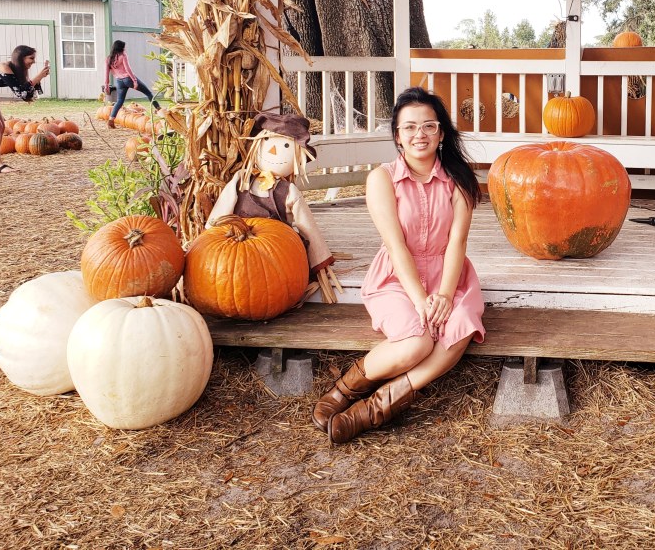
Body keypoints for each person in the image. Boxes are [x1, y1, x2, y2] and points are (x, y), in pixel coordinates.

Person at [312, 86, 485, 445]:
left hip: (448, 273)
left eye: (428, 126)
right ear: (397, 136)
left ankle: (376, 406)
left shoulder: (460, 180)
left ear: (441, 135)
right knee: (415, 343)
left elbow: (457, 242)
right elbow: (395, 245)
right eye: (409, 127)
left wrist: (445, 294)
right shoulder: (381, 179)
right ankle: (343, 391)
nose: (419, 134)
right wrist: (422, 299)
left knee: (459, 329)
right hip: (397, 275)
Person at [207, 111, 339, 301]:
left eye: (286, 145)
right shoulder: (242, 180)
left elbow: (306, 225)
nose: (274, 151)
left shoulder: (288, 190)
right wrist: (210, 235)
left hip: (275, 249)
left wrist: (319, 259)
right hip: (237, 241)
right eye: (268, 143)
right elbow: (223, 207)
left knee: (270, 280)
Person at [0, 45, 50, 173]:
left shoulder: (16, 70)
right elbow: (21, 93)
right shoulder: (5, 67)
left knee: (0, 126)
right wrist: (38, 76)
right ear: (21, 58)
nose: (33, 61)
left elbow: (26, 94)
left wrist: (40, 78)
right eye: (31, 58)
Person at [103, 40, 160, 128]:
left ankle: (111, 119)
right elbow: (128, 69)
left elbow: (106, 73)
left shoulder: (108, 59)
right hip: (128, 79)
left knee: (119, 101)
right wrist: (135, 81)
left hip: (119, 81)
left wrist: (106, 85)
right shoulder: (123, 56)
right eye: (123, 47)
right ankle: (158, 109)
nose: (125, 48)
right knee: (148, 93)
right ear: (120, 48)